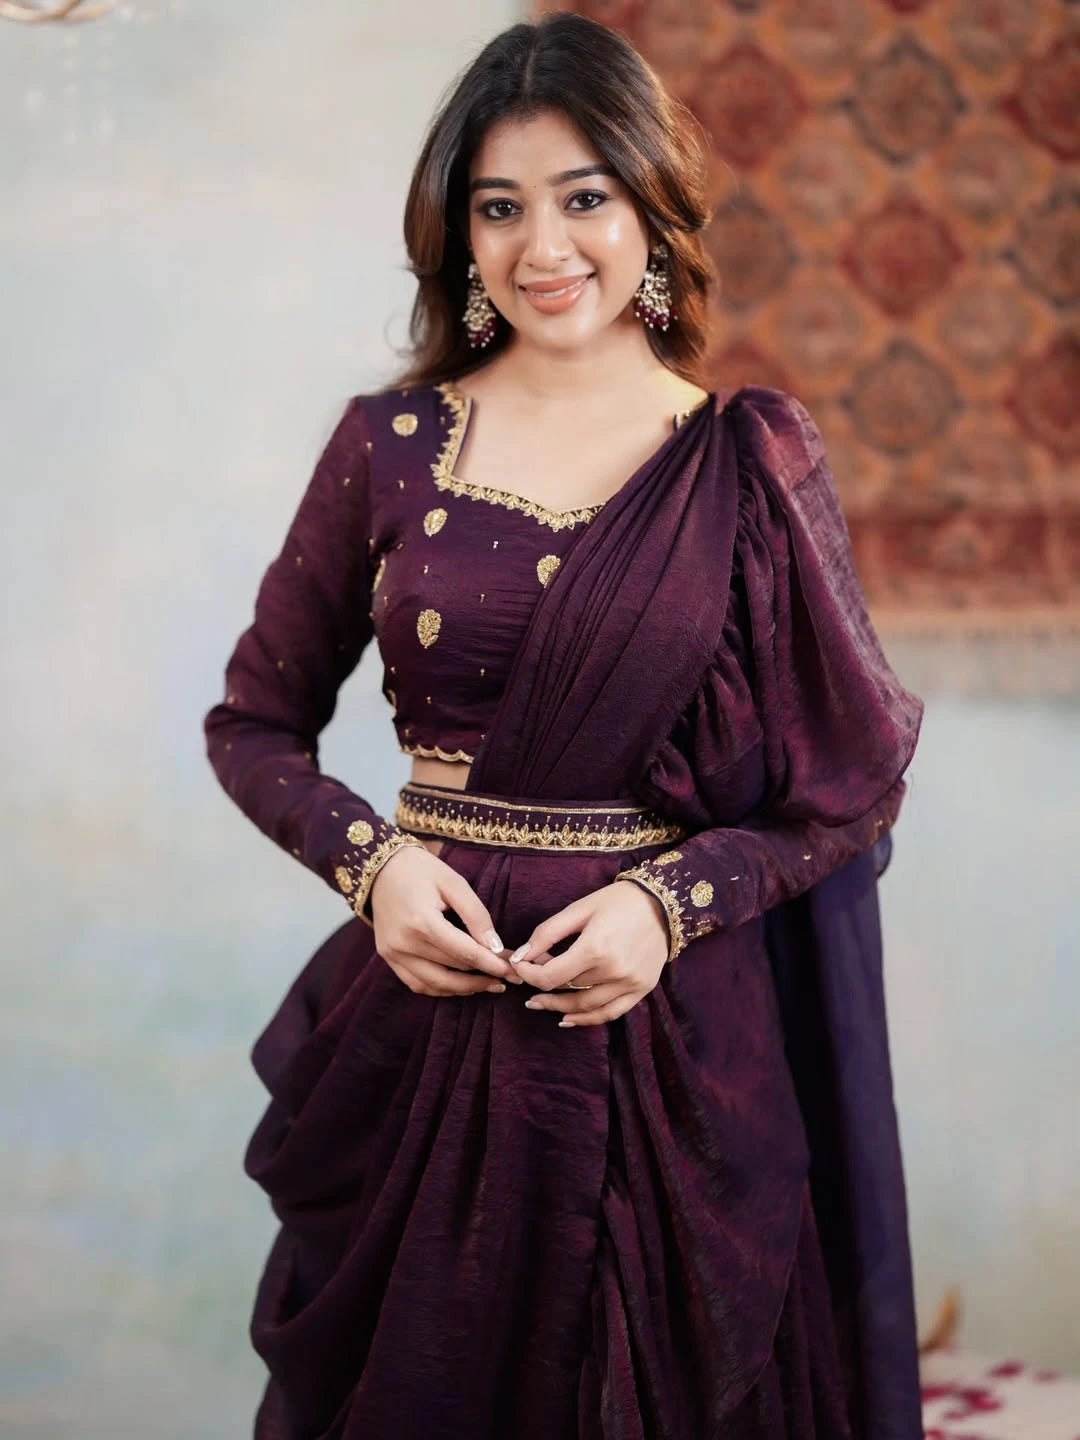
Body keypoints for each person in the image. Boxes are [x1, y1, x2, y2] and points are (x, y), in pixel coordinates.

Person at [204, 13, 925, 1439]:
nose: (545, 245)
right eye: (500, 206)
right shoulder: (389, 447)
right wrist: (376, 868)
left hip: (670, 1052)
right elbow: (255, 725)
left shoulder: (749, 458)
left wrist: (666, 907)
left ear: (652, 209)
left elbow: (845, 789)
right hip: (430, 1032)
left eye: (585, 196)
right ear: (458, 234)